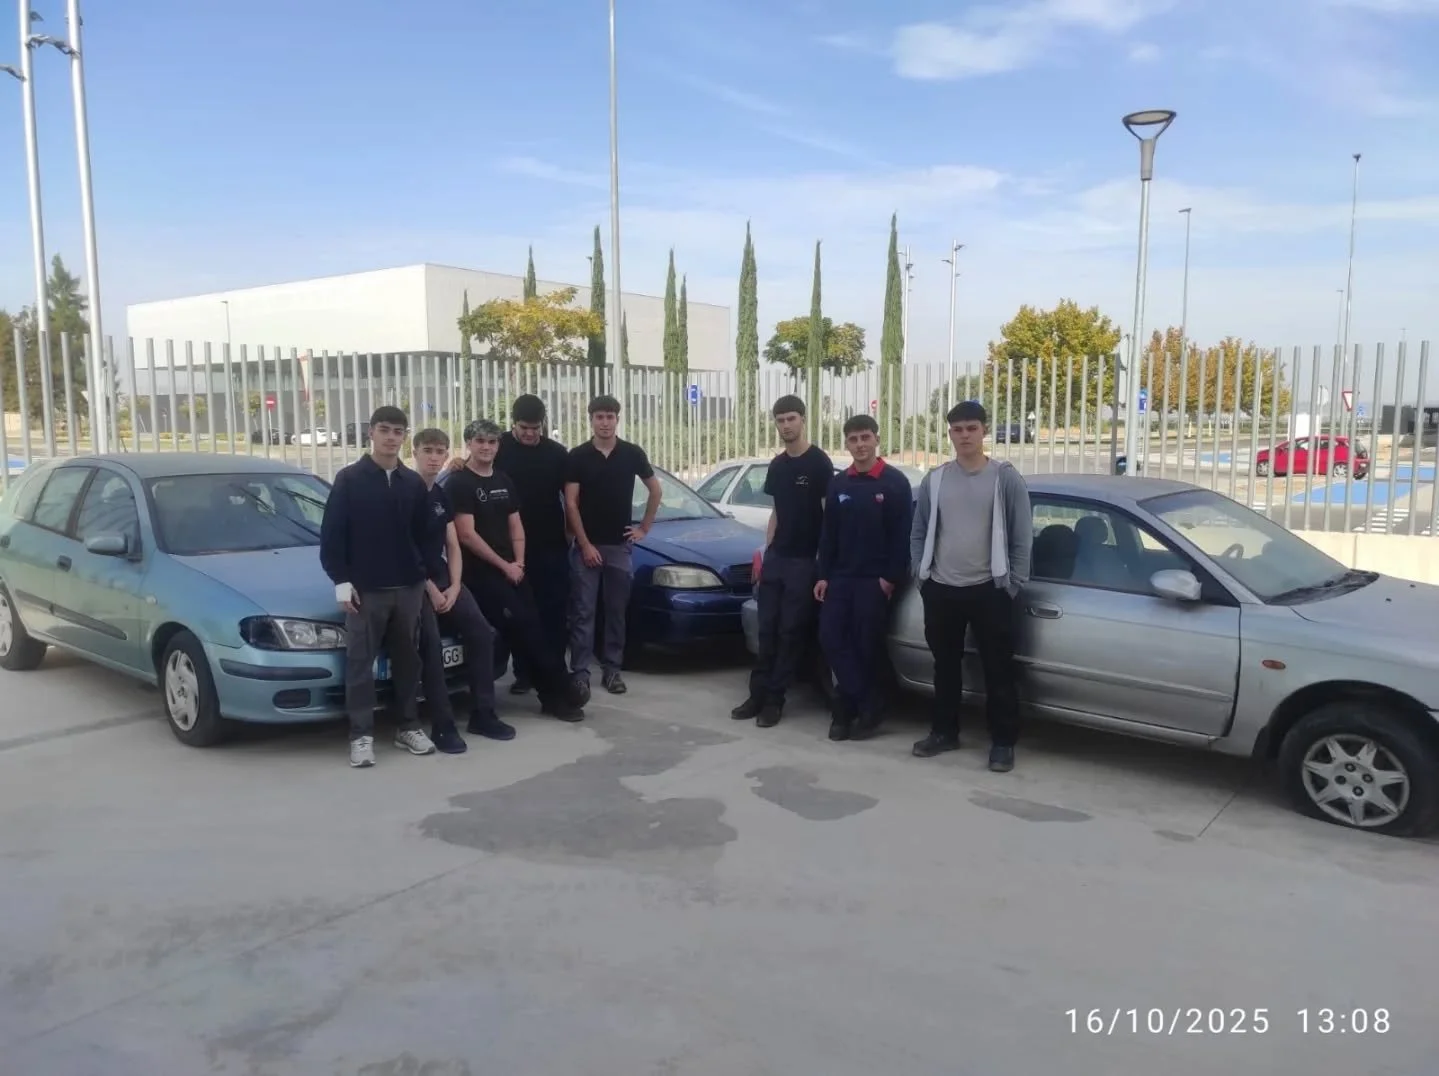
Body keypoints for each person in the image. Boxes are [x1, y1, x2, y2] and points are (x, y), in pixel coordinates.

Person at [909, 400, 1032, 772]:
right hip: (942, 589)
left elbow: (1021, 535)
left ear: (984, 431)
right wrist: (922, 575)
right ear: (950, 433)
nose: (964, 435)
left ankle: (1002, 742)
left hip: (989, 589)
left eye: (971, 428)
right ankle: (944, 732)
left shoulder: (1005, 477)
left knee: (998, 669)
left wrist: (1013, 585)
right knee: (944, 666)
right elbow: (919, 530)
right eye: (957, 429)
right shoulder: (936, 479)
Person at [319, 405, 436, 768]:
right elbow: (333, 536)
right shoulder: (349, 479)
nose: (390, 437)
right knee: (359, 663)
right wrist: (341, 580)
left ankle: (407, 726)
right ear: (371, 433)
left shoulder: (413, 483)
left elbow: (426, 535)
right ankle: (361, 735)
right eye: (384, 429)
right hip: (365, 590)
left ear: (404, 437)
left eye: (398, 431)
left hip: (408, 588)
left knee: (407, 660)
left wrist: (422, 573)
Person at [446, 419, 585, 722]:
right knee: (524, 628)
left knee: (531, 627)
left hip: (513, 569)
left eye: (492, 442)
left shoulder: (503, 480)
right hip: (481, 574)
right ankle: (560, 687)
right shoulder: (459, 482)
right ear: (468, 443)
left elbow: (515, 526)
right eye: (480, 441)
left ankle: (553, 696)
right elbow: (467, 535)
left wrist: (519, 562)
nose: (486, 447)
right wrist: (504, 565)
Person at [731, 395, 833, 727]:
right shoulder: (777, 465)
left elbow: (827, 515)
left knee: (790, 632)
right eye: (780, 420)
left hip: (805, 562)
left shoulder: (819, 463)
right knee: (767, 630)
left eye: (791, 418)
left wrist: (822, 562)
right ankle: (756, 694)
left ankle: (775, 700)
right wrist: (767, 551)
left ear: (803, 420)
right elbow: (776, 511)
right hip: (777, 558)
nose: (785, 425)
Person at [410, 428, 511, 749]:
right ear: (415, 452)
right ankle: (443, 724)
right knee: (431, 644)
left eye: (440, 451)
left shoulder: (441, 493)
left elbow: (452, 544)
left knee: (482, 632)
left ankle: (484, 714)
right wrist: (431, 589)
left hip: (445, 581)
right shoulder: (403, 492)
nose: (434, 457)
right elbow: (403, 550)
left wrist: (454, 586)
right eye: (428, 451)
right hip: (414, 583)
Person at [814, 414, 912, 743]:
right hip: (840, 578)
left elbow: (903, 537)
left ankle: (844, 712)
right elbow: (829, 534)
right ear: (846, 444)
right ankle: (869, 703)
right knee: (830, 638)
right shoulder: (839, 483)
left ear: (876, 439)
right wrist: (823, 574)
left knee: (864, 645)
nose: (860, 445)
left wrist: (889, 579)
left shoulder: (895, 483)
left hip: (875, 581)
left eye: (865, 437)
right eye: (853, 439)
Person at [564, 394, 662, 701]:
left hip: (619, 547)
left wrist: (644, 528)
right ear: (591, 419)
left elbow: (655, 491)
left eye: (610, 416)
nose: (605, 422)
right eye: (599, 417)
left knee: (617, 611)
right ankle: (580, 673)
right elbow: (570, 503)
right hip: (586, 548)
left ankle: (612, 670)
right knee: (583, 612)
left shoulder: (632, 453)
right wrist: (584, 544)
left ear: (617, 419)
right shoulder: (578, 456)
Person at [494, 395, 571, 695]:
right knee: (520, 613)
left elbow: (573, 497)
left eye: (535, 428)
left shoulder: (557, 453)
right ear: (513, 424)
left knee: (553, 612)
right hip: (509, 548)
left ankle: (554, 671)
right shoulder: (497, 447)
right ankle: (523, 673)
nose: (530, 433)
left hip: (551, 545)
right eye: (524, 427)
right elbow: (471, 467)